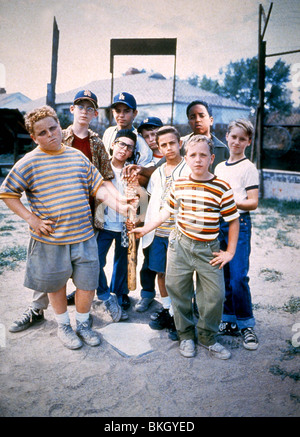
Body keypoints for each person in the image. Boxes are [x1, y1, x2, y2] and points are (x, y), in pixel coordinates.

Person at [0, 105, 133, 350]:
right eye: (42, 133)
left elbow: (99, 186)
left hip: (83, 235)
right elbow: (8, 193)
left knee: (87, 283)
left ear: (59, 128)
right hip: (52, 239)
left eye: (53, 128)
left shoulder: (76, 156)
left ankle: (83, 324)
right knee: (56, 283)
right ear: (34, 137)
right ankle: (63, 325)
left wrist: (120, 204)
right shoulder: (28, 162)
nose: (50, 134)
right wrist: (32, 219)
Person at [130, 135, 240, 359]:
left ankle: (208, 336)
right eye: (193, 155)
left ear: (211, 158)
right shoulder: (179, 184)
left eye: (202, 155)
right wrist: (146, 228)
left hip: (208, 249)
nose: (197, 160)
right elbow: (166, 211)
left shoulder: (221, 187)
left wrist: (230, 252)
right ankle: (186, 335)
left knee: (215, 296)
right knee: (178, 291)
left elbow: (233, 220)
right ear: (186, 158)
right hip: (179, 245)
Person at [135, 127, 191, 339]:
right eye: (164, 145)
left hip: (180, 232)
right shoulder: (157, 172)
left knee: (181, 276)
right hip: (158, 233)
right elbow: (149, 199)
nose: (169, 148)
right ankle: (169, 310)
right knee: (161, 272)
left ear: (180, 143)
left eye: (172, 143)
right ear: (158, 147)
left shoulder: (188, 169)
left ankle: (182, 316)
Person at [215, 119, 259, 350]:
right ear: (227, 137)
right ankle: (229, 319)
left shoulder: (249, 168)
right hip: (220, 223)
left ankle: (246, 324)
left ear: (249, 142)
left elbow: (253, 201)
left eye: (242, 139)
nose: (237, 142)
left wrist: (232, 204)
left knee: (239, 275)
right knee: (223, 274)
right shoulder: (220, 168)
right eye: (234, 137)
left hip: (238, 222)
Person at [95, 129, 140, 322]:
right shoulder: (101, 167)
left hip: (124, 225)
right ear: (113, 144)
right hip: (103, 224)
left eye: (129, 147)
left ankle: (119, 293)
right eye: (121, 144)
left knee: (123, 261)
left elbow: (139, 196)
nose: (124, 149)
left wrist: (137, 215)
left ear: (131, 152)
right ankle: (104, 294)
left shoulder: (132, 170)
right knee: (96, 260)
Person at [102, 92, 153, 168]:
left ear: (134, 113)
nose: (121, 115)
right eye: (118, 111)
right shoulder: (108, 132)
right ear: (113, 113)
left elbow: (144, 172)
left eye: (126, 111)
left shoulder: (140, 141)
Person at [181, 100, 230, 171]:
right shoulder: (181, 144)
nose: (197, 120)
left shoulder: (222, 149)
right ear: (189, 122)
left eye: (201, 116)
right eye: (192, 117)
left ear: (211, 120)